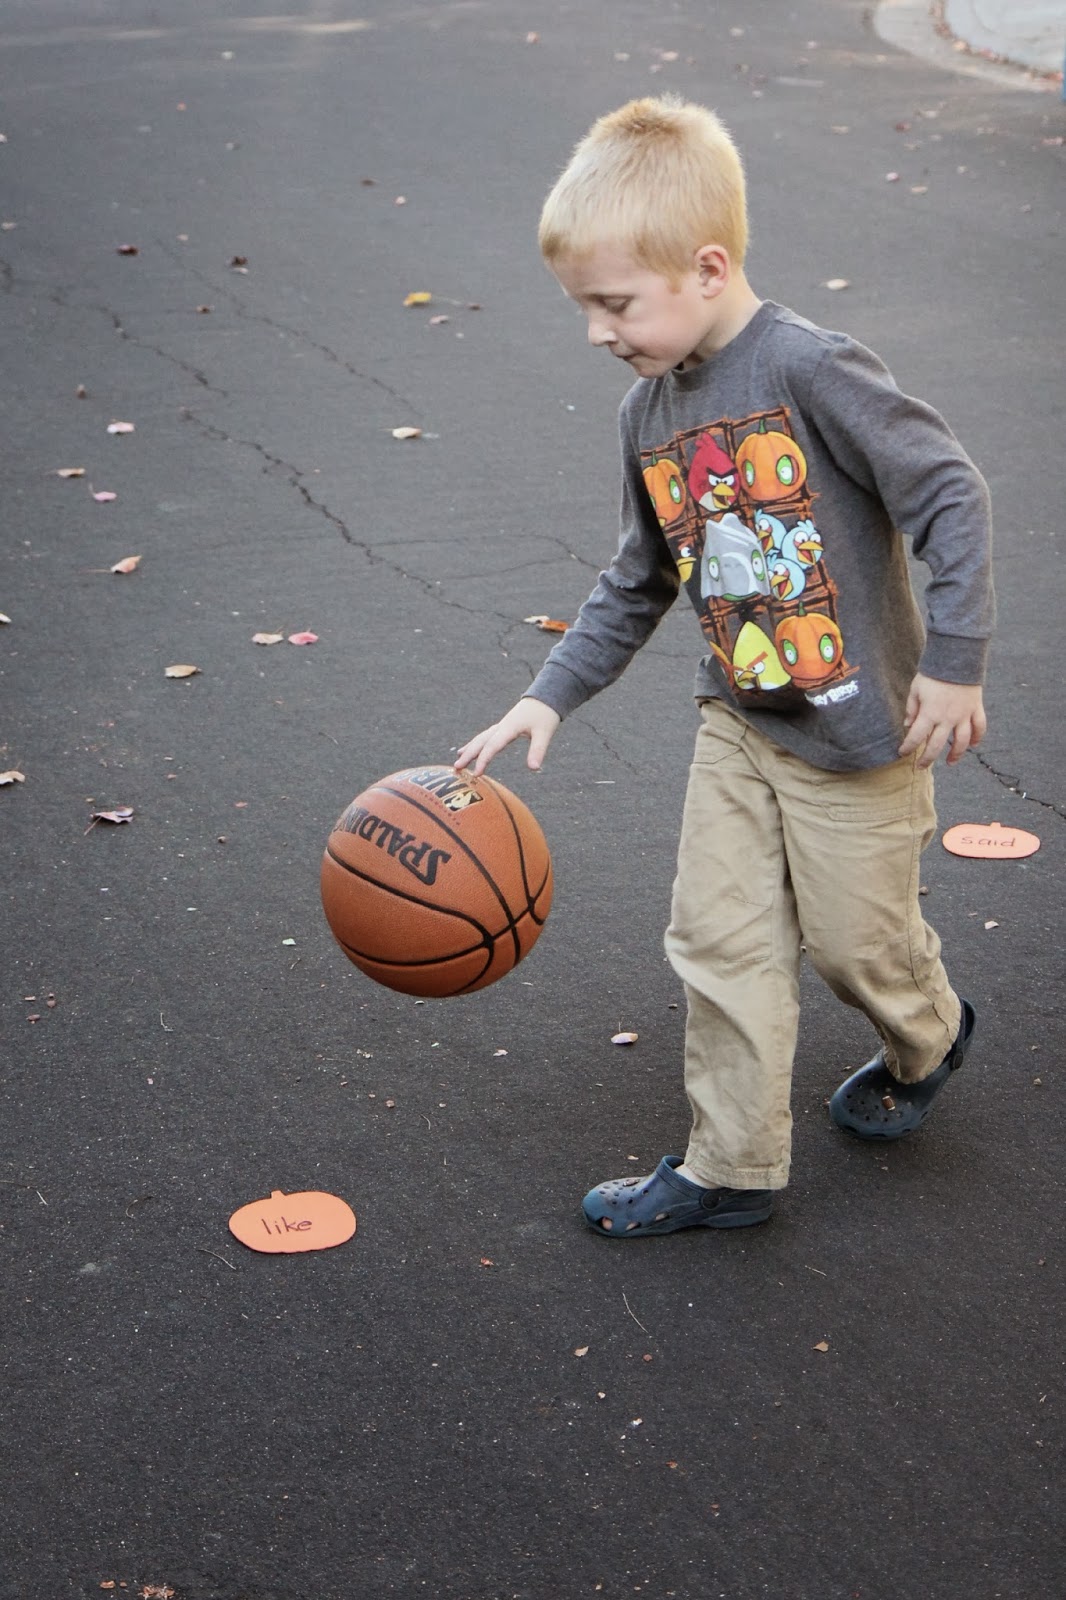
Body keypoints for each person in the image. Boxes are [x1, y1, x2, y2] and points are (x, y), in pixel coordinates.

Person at [454, 96, 994, 1238]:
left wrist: (954, 661)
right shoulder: (647, 414)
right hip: (740, 724)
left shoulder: (810, 367)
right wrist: (546, 697)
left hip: (865, 737)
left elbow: (945, 489)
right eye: (584, 307)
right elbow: (637, 577)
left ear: (705, 267)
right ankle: (730, 1165)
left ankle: (928, 1030)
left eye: (614, 303)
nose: (597, 330)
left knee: (859, 948)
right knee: (718, 939)